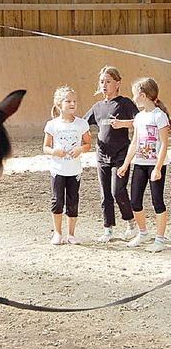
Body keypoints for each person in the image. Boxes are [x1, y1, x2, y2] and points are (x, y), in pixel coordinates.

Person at [83, 66, 139, 243]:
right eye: (101, 82)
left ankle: (131, 224)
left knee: (118, 191)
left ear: (117, 83)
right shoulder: (97, 107)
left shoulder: (125, 103)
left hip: (121, 155)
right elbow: (82, 124)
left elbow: (140, 121)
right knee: (104, 194)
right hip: (102, 156)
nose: (104, 85)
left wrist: (124, 124)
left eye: (108, 81)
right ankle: (108, 229)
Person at [117, 78, 169, 253]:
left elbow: (164, 143)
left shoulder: (159, 116)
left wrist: (157, 167)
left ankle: (160, 239)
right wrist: (125, 164)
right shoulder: (139, 117)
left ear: (143, 95)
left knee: (157, 201)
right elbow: (135, 143)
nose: (133, 98)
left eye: (134, 94)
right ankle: (143, 232)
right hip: (140, 163)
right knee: (135, 201)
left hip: (155, 165)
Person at [43, 86, 91, 245]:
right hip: (58, 170)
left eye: (74, 101)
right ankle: (57, 233)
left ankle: (71, 234)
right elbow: (46, 147)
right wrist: (55, 151)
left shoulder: (82, 123)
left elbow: (88, 144)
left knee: (73, 201)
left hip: (74, 170)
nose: (72, 104)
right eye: (68, 101)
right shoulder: (52, 125)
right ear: (58, 104)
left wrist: (80, 149)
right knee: (57, 201)